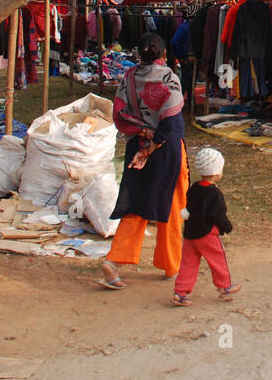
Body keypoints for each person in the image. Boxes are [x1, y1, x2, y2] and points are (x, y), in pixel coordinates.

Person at [98, 32, 188, 289]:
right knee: (172, 203)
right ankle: (172, 264)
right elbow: (170, 119)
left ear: (140, 55)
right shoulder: (170, 78)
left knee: (136, 203)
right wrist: (154, 144)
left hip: (138, 143)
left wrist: (144, 139)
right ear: (163, 55)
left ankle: (115, 262)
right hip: (167, 148)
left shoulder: (129, 77)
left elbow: (119, 114)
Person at [172, 147, 240, 306]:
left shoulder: (194, 188)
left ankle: (180, 293)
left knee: (189, 263)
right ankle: (225, 286)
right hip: (207, 234)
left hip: (190, 233)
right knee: (218, 259)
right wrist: (227, 227)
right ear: (217, 173)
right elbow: (218, 215)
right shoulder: (215, 194)